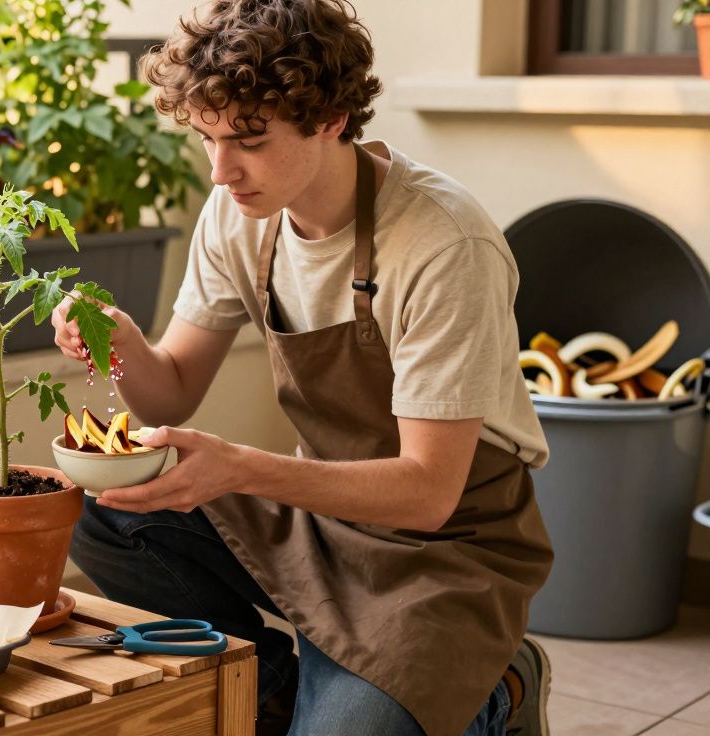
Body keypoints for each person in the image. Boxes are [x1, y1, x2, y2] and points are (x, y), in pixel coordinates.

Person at [50, 1, 555, 734]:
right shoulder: (239, 213)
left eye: (250, 140)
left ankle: (500, 687)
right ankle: (272, 690)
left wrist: (238, 468)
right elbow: (173, 393)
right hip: (320, 516)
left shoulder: (444, 243)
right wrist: (122, 344)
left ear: (330, 118)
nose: (221, 171)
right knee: (111, 509)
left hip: (446, 554)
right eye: (207, 138)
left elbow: (428, 493)